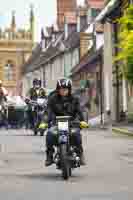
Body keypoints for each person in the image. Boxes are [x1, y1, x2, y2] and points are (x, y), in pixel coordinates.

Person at [45, 78, 88, 166]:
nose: (63, 91)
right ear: (58, 89)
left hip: (72, 123)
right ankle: (49, 155)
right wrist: (44, 121)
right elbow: (48, 111)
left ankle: (80, 154)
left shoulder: (75, 99)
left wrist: (82, 121)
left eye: (65, 89)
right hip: (56, 123)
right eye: (61, 89)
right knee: (49, 134)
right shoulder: (53, 99)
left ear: (69, 89)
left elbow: (79, 111)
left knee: (76, 134)